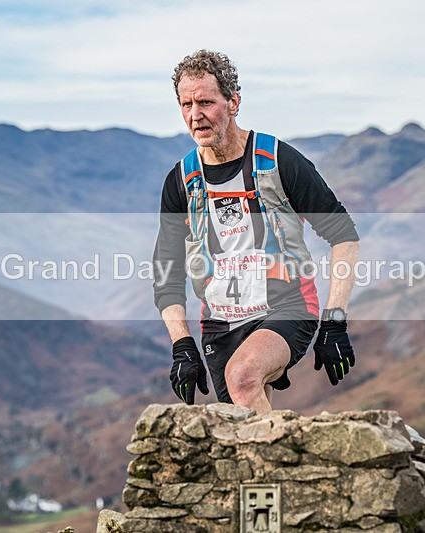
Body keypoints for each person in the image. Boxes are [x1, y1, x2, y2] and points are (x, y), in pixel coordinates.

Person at [153, 49, 360, 414]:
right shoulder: (181, 181)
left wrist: (335, 320)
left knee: (244, 376)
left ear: (233, 102)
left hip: (288, 305)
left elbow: (343, 235)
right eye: (186, 104)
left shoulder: (277, 159)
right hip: (220, 322)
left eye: (205, 101)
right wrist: (182, 344)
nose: (195, 115)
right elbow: (166, 273)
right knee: (240, 424)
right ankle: (286, 468)